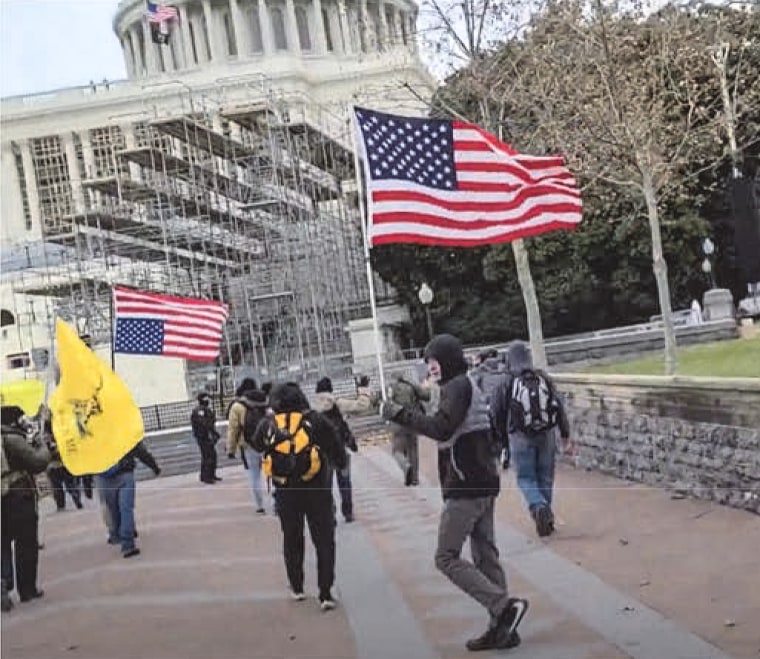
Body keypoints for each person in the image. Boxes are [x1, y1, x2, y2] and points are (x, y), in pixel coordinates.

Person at [381, 334, 529, 652]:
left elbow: (441, 428)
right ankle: (502, 629)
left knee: (446, 557)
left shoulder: (457, 386)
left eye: (432, 361)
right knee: (485, 555)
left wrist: (398, 413)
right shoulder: (461, 384)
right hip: (481, 479)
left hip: (466, 485)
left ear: (445, 359)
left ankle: (503, 609)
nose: (429, 367)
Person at [250, 382, 346, 610]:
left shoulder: (269, 423)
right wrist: (339, 463)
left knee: (292, 538)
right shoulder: (315, 419)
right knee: (324, 539)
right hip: (317, 488)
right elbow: (336, 449)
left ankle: (297, 587)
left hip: (285, 491)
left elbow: (256, 445)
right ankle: (325, 593)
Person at [491, 341, 572, 537]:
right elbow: (558, 407)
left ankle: (538, 506)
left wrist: (501, 442)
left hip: (519, 436)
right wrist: (565, 436)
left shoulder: (506, 381)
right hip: (546, 434)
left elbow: (496, 414)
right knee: (545, 477)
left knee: (526, 477)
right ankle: (546, 517)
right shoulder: (543, 377)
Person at [1, 405, 50, 610]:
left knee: (2, 544)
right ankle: (27, 589)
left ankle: (4, 583)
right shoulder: (11, 439)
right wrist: (41, 446)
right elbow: (38, 463)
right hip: (18, 496)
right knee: (26, 543)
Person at [95, 441, 161, 558]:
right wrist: (154, 466)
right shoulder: (124, 428)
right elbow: (139, 449)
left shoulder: (92, 431)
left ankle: (120, 536)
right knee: (125, 508)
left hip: (104, 476)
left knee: (113, 510)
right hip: (124, 472)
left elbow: (84, 457)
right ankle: (127, 543)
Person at [313, 377, 359, 523]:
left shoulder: (314, 409)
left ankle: (330, 513)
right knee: (345, 482)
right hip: (341, 451)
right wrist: (352, 443)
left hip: (323, 454)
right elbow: (344, 427)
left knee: (325, 486)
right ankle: (348, 512)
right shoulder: (336, 405)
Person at [227, 378, 269, 513]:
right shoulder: (264, 401)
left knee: (254, 474)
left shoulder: (237, 406)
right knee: (272, 472)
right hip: (268, 442)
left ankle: (260, 505)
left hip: (248, 444)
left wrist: (231, 449)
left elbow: (233, 428)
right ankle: (276, 503)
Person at [387, 365, 430, 486]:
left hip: (398, 422)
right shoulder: (412, 385)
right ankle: (415, 478)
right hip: (412, 421)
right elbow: (427, 396)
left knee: (397, 450)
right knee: (413, 450)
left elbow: (388, 404)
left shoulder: (392, 387)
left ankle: (406, 467)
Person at [472, 349, 511, 470]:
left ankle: (494, 457)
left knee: (490, 433)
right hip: (504, 405)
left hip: (487, 405)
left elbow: (474, 389)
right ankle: (505, 451)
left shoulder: (478, 372)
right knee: (504, 429)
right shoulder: (504, 371)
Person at [43, 418, 83, 511]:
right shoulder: (64, 432)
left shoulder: (46, 438)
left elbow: (44, 451)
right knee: (71, 484)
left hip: (53, 466)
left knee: (57, 487)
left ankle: (61, 505)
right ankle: (76, 499)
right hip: (64, 464)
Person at [191, 392, 221, 484]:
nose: (209, 401)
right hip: (203, 437)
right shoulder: (200, 411)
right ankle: (207, 476)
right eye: (207, 399)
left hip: (206, 436)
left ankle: (209, 475)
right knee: (208, 456)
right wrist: (213, 433)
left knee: (211, 455)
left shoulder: (204, 410)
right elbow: (204, 424)